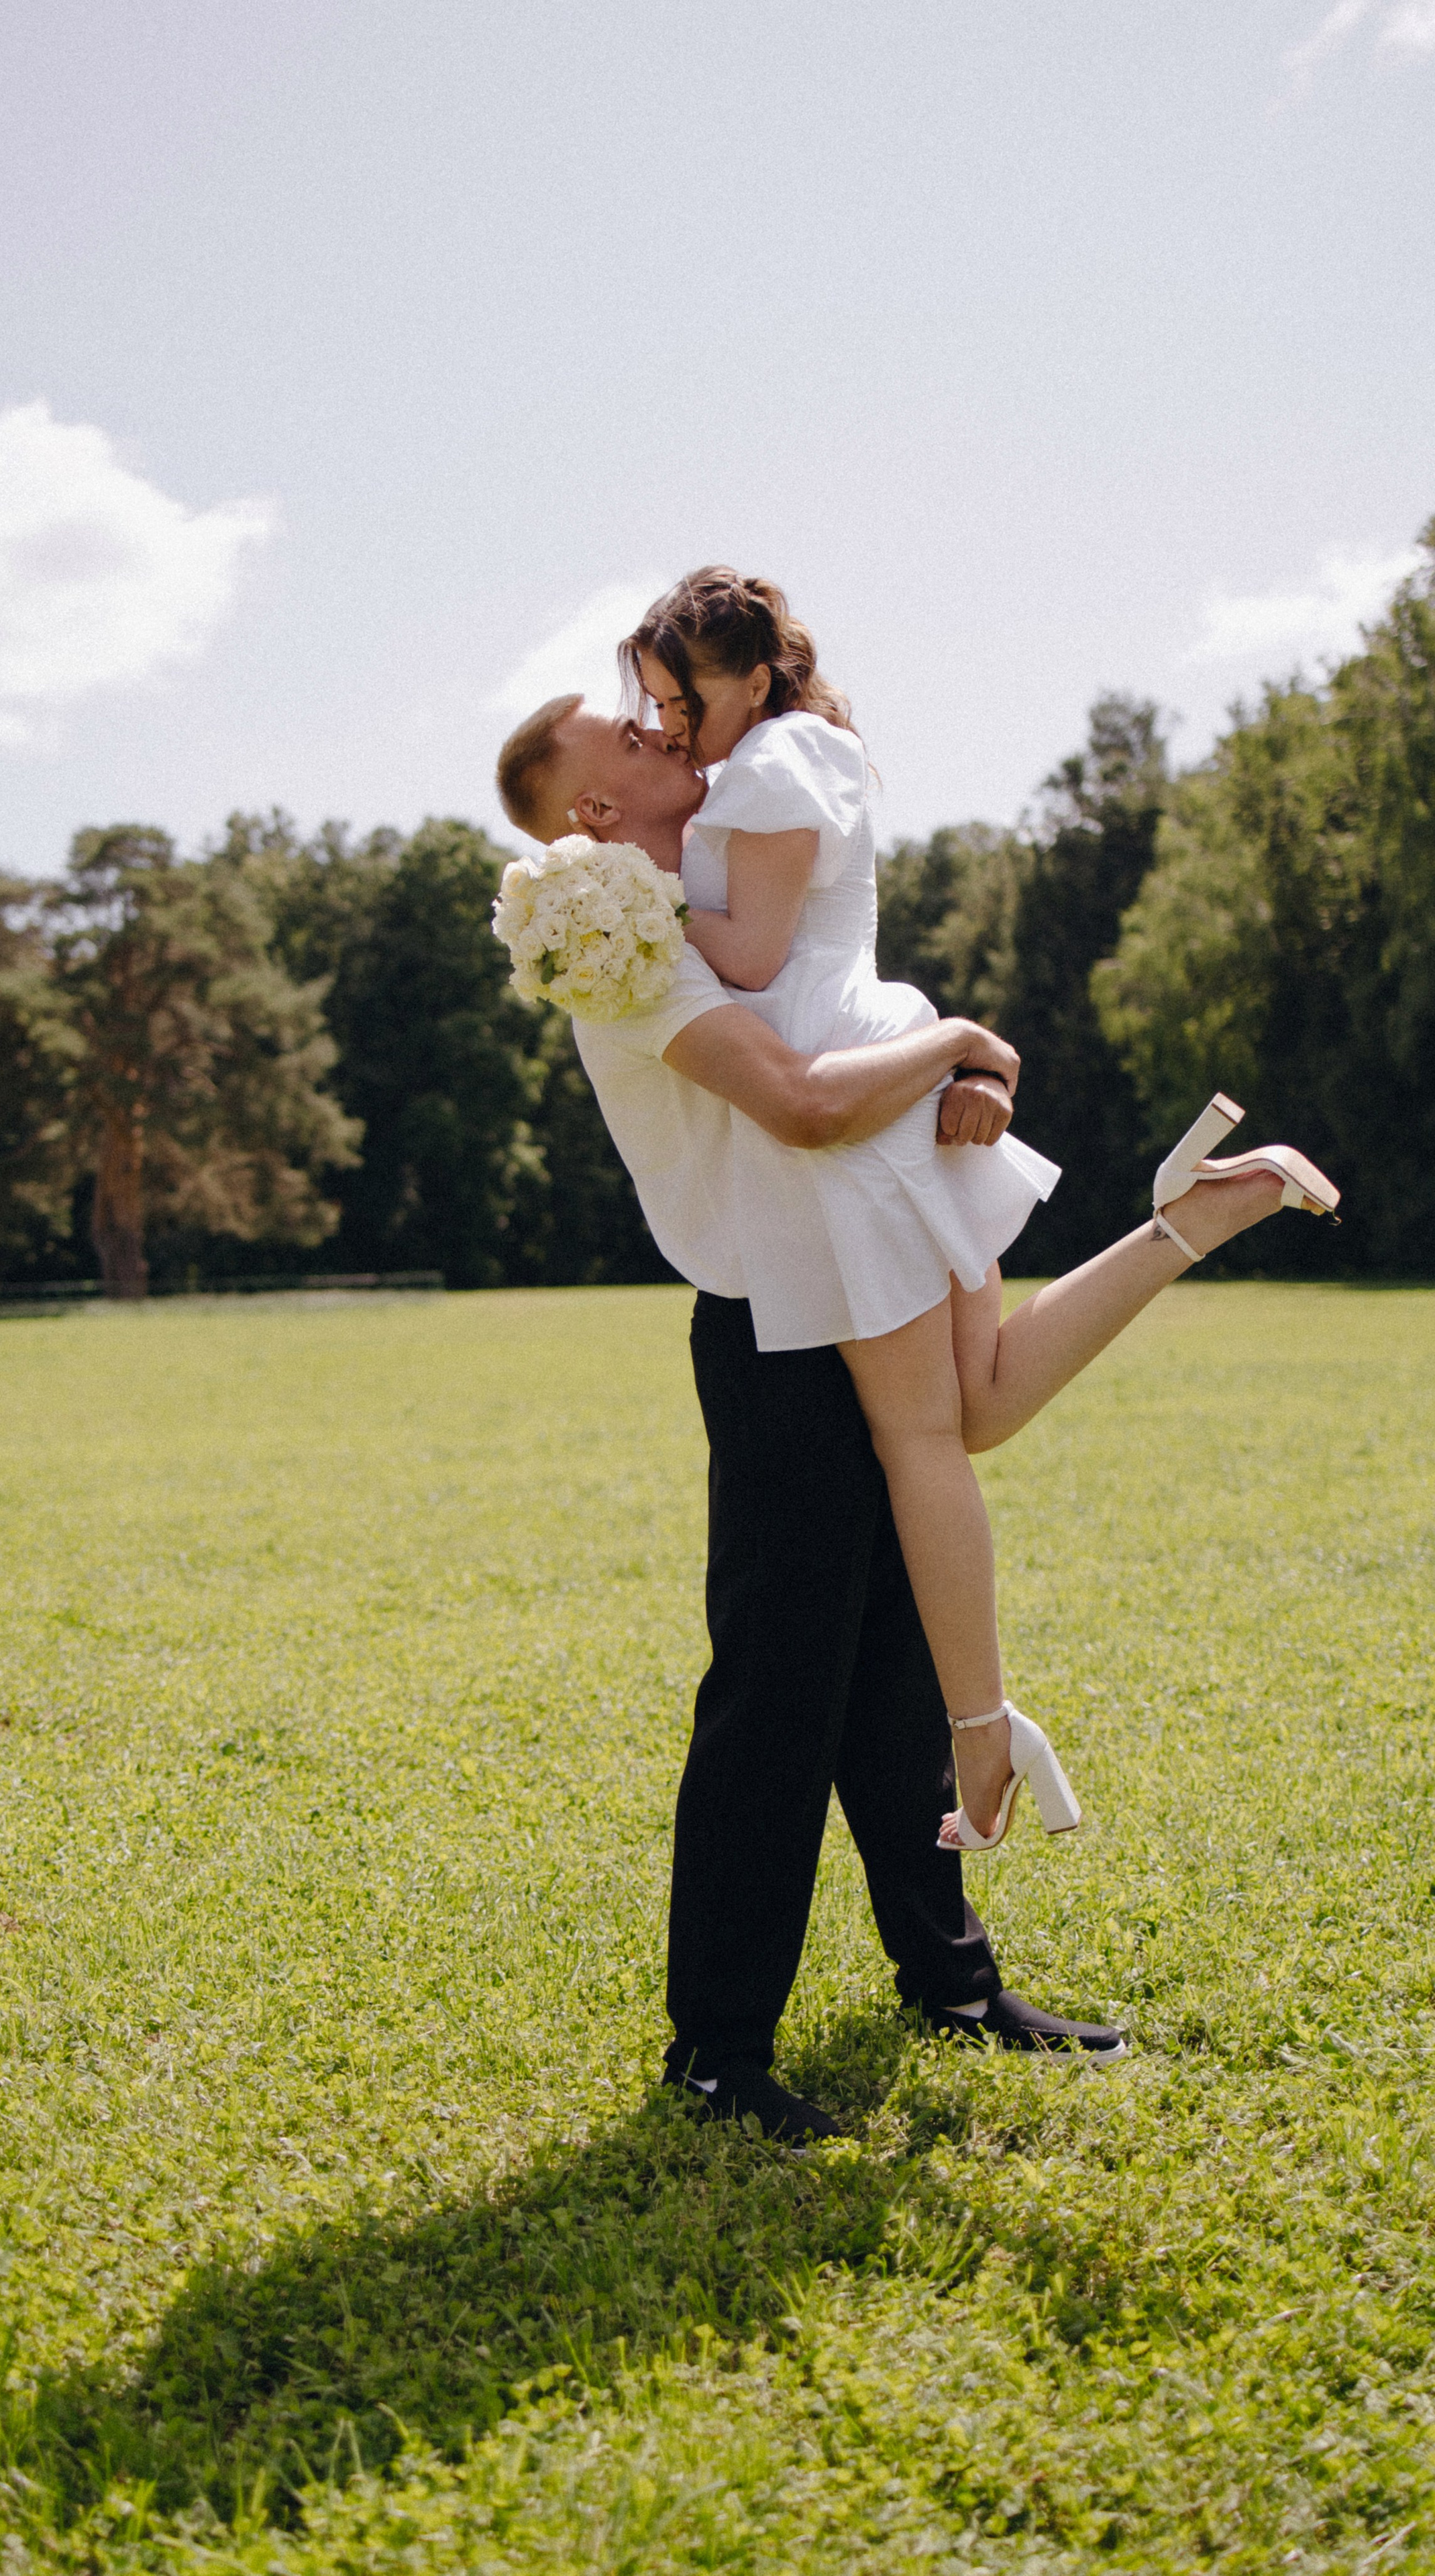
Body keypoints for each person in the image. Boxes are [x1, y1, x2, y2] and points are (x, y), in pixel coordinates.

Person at [494, 688, 1300, 2138]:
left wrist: (961, 1071)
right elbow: (803, 1106)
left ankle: (949, 1982)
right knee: (777, 1692)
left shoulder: (739, 896)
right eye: (617, 736)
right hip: (767, 1334)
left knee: (890, 1679)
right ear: (592, 811)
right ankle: (715, 2057)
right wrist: (953, 1045)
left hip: (858, 1280)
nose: (651, 726)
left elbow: (847, 1035)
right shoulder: (610, 949)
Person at [617, 569, 1338, 1854]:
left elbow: (757, 959)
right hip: (882, 1097)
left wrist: (626, 890)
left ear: (754, 677)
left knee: (924, 1445)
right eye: (651, 702)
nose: (667, 722)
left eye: (681, 695)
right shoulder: (783, 758)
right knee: (982, 1401)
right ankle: (1182, 1222)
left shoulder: (781, 764)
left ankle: (981, 1729)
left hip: (851, 1131)